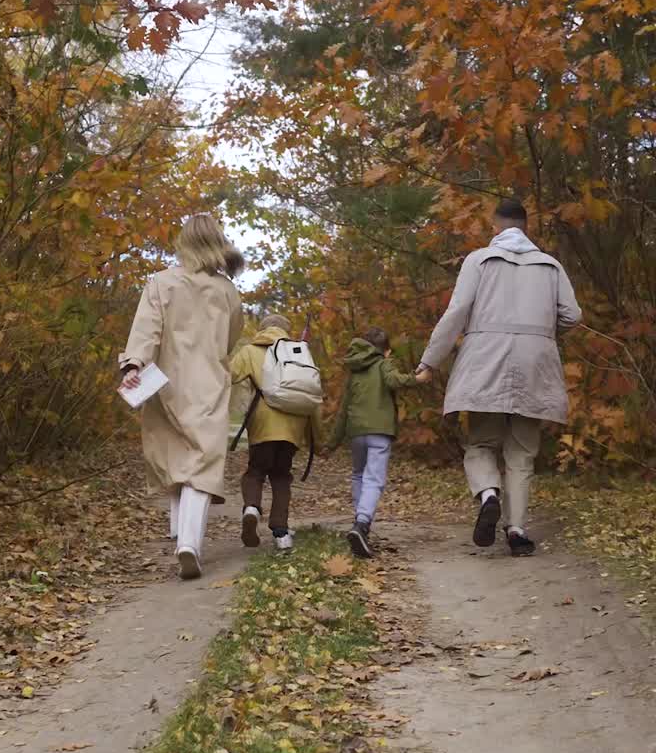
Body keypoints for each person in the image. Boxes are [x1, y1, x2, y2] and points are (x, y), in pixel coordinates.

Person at [415, 198, 581, 556]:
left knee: (481, 443)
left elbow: (457, 312)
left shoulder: (479, 259)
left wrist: (430, 361)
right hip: (536, 362)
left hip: (486, 359)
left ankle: (489, 493)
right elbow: (572, 314)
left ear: (496, 227)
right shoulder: (551, 266)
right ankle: (518, 531)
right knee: (522, 453)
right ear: (525, 227)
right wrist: (540, 334)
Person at [120, 214, 244, 580]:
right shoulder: (227, 291)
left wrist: (133, 365)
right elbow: (232, 338)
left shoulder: (161, 283)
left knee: (175, 459)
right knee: (202, 463)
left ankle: (179, 532)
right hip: (208, 382)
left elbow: (146, 328)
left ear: (183, 243)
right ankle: (188, 541)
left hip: (165, 382)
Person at [230, 314, 322, 552]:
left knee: (256, 471)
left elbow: (226, 376)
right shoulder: (299, 354)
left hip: (263, 423)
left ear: (262, 329)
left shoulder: (250, 351)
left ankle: (251, 507)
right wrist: (318, 439)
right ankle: (281, 534)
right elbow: (312, 396)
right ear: (286, 330)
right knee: (281, 477)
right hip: (294, 425)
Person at [330, 328, 419, 559]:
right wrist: (415, 378)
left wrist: (330, 444)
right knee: (374, 478)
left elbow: (342, 411)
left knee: (359, 475)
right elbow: (392, 381)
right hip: (379, 430)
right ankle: (361, 524)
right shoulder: (383, 363)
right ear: (386, 350)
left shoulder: (354, 372)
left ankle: (361, 524)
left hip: (357, 432)